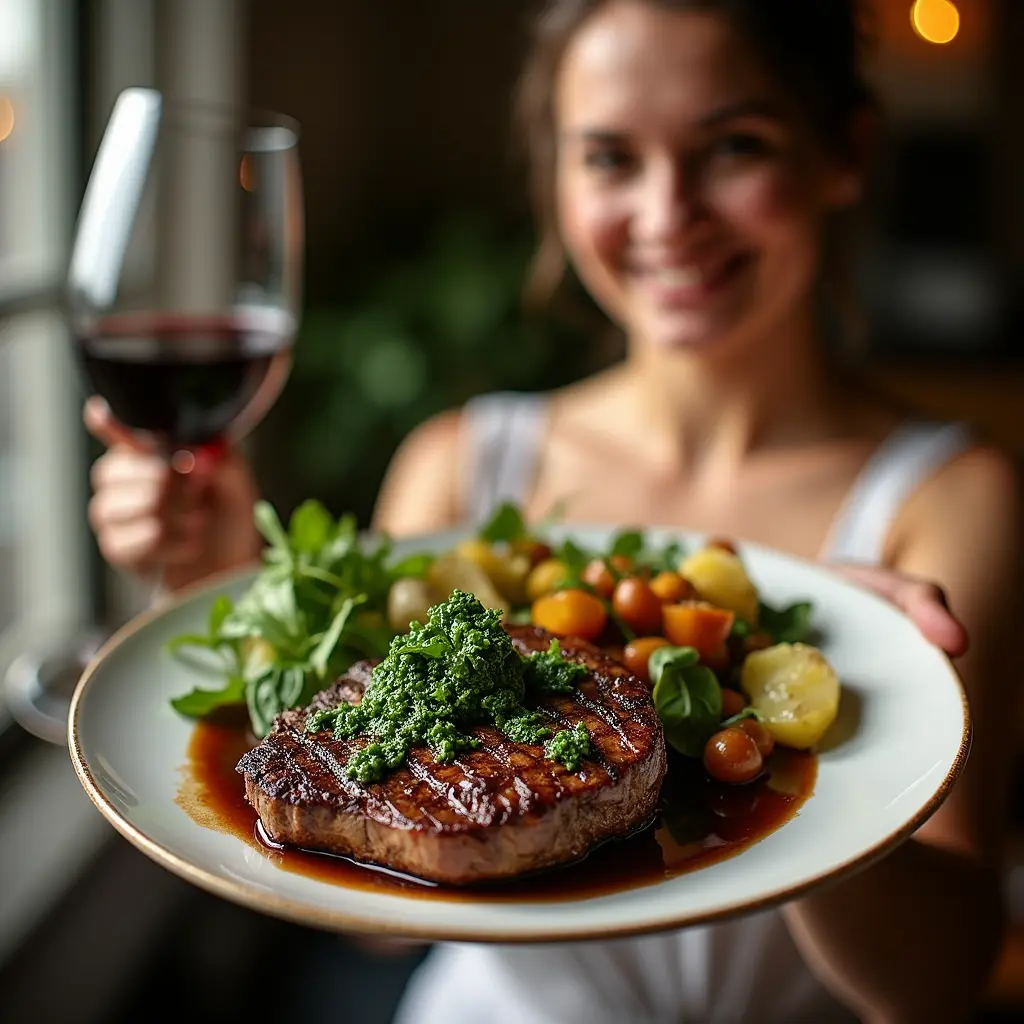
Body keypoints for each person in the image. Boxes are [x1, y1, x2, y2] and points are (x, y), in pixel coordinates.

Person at [85, 0, 1021, 1019]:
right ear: (556, 181)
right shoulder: (457, 465)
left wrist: (838, 764)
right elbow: (373, 912)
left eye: (734, 146)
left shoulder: (951, 498)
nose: (668, 213)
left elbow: (938, 983)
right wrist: (224, 584)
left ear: (842, 154)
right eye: (611, 158)